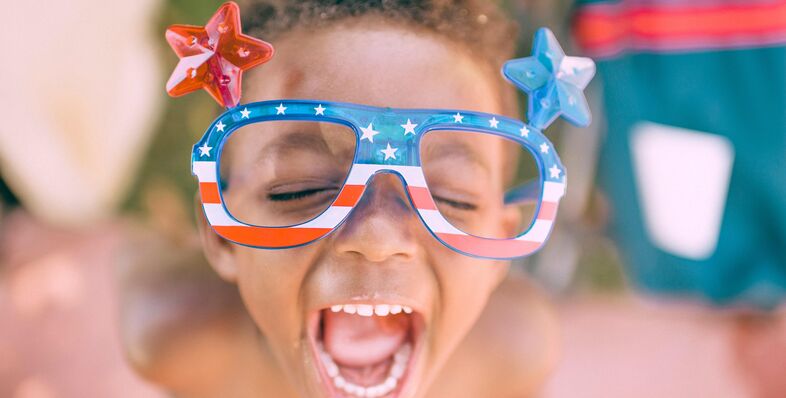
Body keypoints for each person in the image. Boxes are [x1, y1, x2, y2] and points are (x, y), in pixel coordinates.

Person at [123, 1, 566, 397]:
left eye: (453, 200)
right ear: (221, 236)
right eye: (300, 190)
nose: (377, 236)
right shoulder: (177, 342)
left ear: (498, 250)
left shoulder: (513, 354)